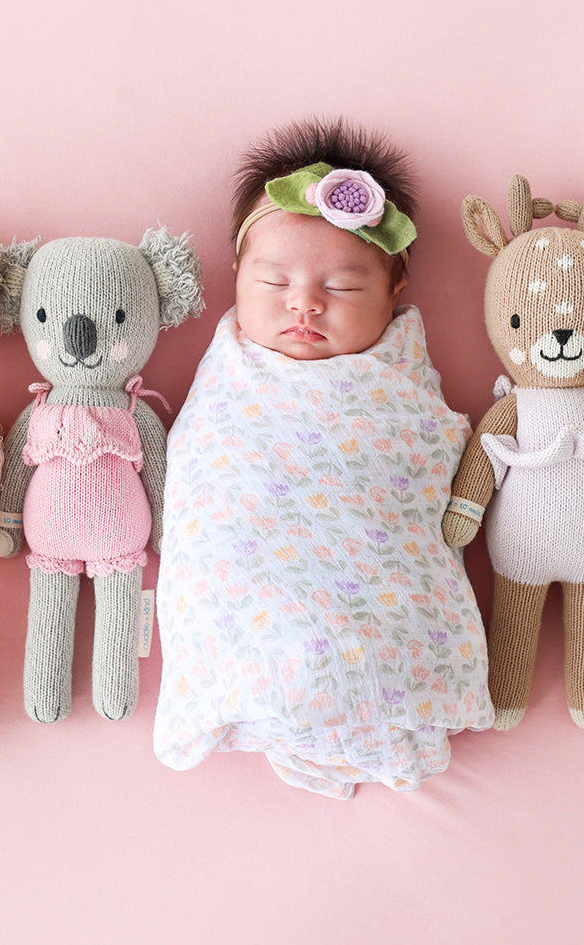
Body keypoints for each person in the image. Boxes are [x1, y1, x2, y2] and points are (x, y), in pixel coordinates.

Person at [152, 119, 492, 799]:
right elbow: (203, 474)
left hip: (380, 602)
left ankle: (377, 686)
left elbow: (426, 450)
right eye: (274, 279)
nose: (304, 302)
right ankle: (266, 683)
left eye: (341, 287)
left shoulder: (397, 387)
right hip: (253, 606)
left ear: (395, 289)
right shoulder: (227, 380)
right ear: (238, 278)